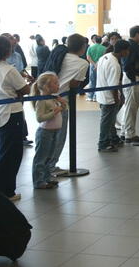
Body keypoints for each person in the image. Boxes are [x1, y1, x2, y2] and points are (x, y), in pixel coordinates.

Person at [0, 36, 30, 200]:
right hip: (10, 114)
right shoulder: (9, 69)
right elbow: (25, 90)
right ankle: (5, 191)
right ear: (8, 51)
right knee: (10, 154)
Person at [49, 34, 89, 176]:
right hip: (62, 100)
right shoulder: (82, 63)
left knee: (48, 134)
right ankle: (51, 166)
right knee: (59, 134)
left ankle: (45, 166)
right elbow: (74, 84)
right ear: (83, 47)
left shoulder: (59, 55)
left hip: (46, 98)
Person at [31, 72, 66, 189]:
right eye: (55, 83)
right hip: (45, 133)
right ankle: (38, 181)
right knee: (41, 157)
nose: (58, 85)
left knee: (50, 156)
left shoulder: (53, 98)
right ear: (47, 86)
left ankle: (46, 178)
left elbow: (63, 108)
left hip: (55, 132)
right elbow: (39, 118)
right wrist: (54, 112)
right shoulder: (42, 101)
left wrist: (62, 104)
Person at [97, 40, 130, 152]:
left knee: (110, 120)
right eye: (127, 50)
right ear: (123, 51)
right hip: (108, 97)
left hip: (101, 94)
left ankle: (113, 138)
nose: (128, 52)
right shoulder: (115, 65)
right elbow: (113, 86)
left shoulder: (105, 56)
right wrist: (117, 99)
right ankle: (103, 143)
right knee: (107, 121)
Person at [117, 26, 139, 144]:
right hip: (131, 79)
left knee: (130, 105)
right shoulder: (132, 47)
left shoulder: (134, 46)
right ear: (137, 34)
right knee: (131, 106)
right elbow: (128, 65)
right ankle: (129, 133)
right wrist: (134, 78)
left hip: (131, 78)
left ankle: (125, 131)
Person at [86, 34, 106, 102]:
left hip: (92, 65)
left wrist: (94, 64)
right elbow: (104, 57)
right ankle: (96, 96)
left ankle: (90, 96)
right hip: (100, 66)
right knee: (99, 81)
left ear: (94, 40)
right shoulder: (104, 48)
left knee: (92, 81)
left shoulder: (90, 48)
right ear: (101, 41)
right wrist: (97, 64)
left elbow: (88, 57)